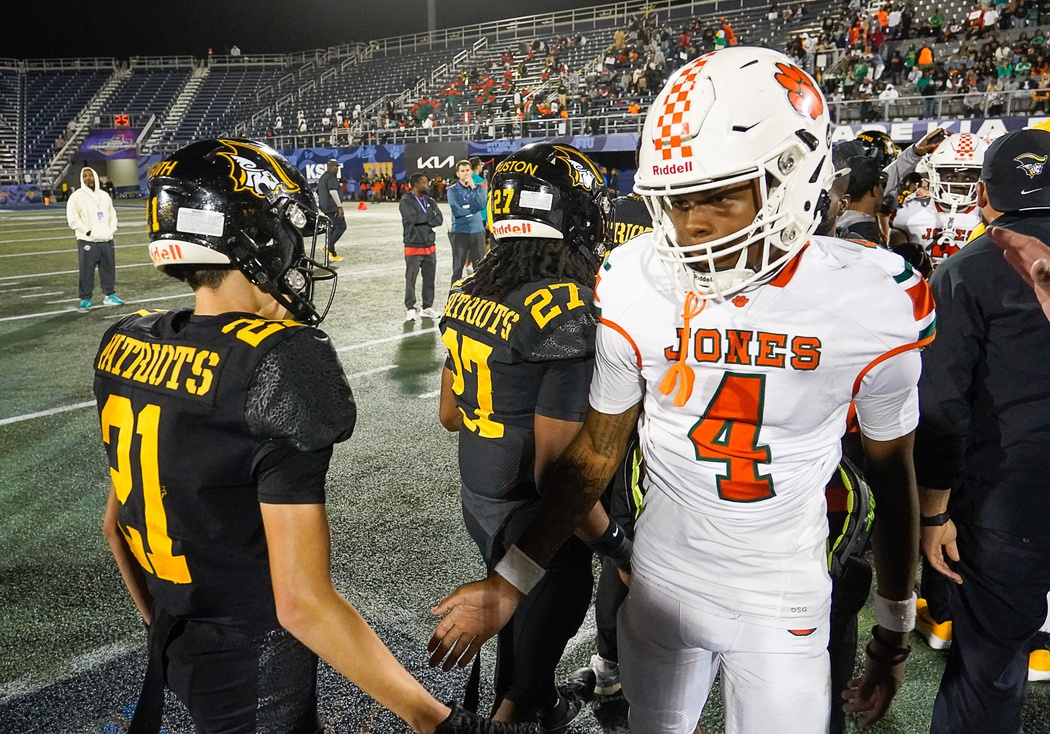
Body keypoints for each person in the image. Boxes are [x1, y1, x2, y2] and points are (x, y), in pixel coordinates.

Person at [429, 47, 930, 734]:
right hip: (660, 582)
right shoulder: (636, 277)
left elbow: (892, 475)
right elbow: (593, 456)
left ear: (793, 176)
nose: (690, 225)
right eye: (676, 199)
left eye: (720, 195)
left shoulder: (872, 300)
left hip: (782, 593)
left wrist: (893, 628)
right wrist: (509, 582)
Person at [97, 138, 539, 734]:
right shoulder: (279, 362)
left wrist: (165, 627)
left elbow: (115, 525)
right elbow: (302, 603)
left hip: (178, 644)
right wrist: (434, 718)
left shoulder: (127, 341)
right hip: (255, 662)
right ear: (253, 237)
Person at [438, 142, 614, 728]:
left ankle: (531, 701)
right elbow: (556, 474)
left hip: (476, 495)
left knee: (515, 601)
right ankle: (518, 709)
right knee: (552, 599)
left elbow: (449, 414)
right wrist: (616, 544)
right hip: (529, 508)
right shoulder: (562, 307)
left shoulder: (471, 288)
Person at [914, 127, 1050, 734]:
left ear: (985, 197)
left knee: (988, 672)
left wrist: (932, 514)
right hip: (1012, 495)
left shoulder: (967, 270)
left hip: (1009, 499)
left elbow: (943, 410)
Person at [892, 133, 987, 266]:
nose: (958, 184)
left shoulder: (988, 215)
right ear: (935, 174)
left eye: (969, 178)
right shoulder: (909, 212)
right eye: (950, 177)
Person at [67, 166, 123, 312]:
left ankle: (109, 295)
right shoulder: (76, 196)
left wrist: (111, 230)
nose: (88, 178)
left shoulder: (104, 195)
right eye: (85, 176)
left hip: (106, 239)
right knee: (87, 271)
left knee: (108, 269)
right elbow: (72, 219)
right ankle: (85, 299)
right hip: (88, 241)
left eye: (90, 175)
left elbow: (112, 214)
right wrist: (87, 232)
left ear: (96, 177)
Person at [399, 172, 444, 322]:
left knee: (429, 279)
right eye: (425, 183)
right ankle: (410, 308)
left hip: (430, 246)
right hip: (413, 246)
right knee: (411, 279)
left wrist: (426, 217)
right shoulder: (406, 201)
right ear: (416, 185)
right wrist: (430, 216)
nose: (428, 185)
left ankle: (427, 307)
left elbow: (440, 219)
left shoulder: (430, 200)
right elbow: (413, 218)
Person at [446, 160, 486, 284]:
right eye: (462, 171)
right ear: (458, 174)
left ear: (471, 171)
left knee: (479, 269)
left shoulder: (479, 187)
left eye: (468, 170)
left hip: (477, 231)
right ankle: (453, 297)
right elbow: (457, 210)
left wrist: (473, 188)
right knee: (457, 269)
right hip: (460, 232)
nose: (465, 173)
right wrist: (472, 210)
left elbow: (481, 204)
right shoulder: (452, 190)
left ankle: (478, 296)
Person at [316, 159, 346, 261]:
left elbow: (318, 191)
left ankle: (331, 253)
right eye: (336, 167)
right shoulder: (331, 176)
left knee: (332, 228)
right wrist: (339, 206)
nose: (337, 169)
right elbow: (333, 191)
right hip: (332, 206)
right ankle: (328, 246)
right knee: (341, 226)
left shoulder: (323, 177)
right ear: (332, 167)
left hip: (325, 206)